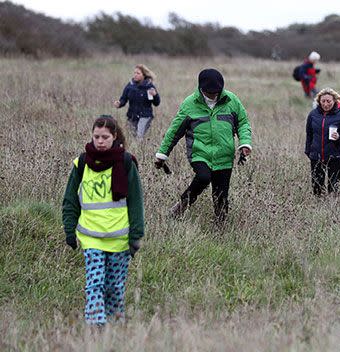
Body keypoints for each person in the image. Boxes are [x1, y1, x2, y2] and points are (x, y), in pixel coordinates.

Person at [62, 115, 144, 325]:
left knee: (115, 286)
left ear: (114, 137)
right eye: (96, 136)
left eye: (105, 137)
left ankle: (115, 325)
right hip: (91, 237)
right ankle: (96, 325)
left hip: (119, 238)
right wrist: (69, 229)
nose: (100, 141)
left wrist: (136, 235)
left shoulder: (126, 163)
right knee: (95, 283)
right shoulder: (81, 163)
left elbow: (136, 202)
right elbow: (70, 199)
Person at [154, 68, 252, 221]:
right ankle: (180, 206)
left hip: (224, 155)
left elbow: (243, 123)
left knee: (221, 196)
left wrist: (245, 143)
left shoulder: (232, 100)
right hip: (199, 153)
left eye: (217, 92)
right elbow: (174, 132)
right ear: (201, 89)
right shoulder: (189, 104)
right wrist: (162, 154)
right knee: (204, 177)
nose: (214, 95)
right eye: (210, 92)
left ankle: (221, 227)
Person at [305, 88, 340, 195]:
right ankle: (318, 208)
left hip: (335, 157)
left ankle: (331, 208)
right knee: (317, 188)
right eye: (323, 101)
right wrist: (308, 152)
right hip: (316, 156)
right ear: (319, 101)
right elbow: (309, 135)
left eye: (329, 101)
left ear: (335, 101)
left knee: (333, 188)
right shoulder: (313, 115)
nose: (326, 104)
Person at [113, 64, 160, 140]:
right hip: (132, 116)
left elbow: (157, 103)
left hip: (145, 116)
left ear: (144, 75)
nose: (135, 75)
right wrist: (119, 104)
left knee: (139, 136)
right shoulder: (130, 85)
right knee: (130, 138)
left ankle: (141, 150)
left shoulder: (149, 86)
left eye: (138, 73)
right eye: (134, 73)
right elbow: (123, 99)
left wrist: (155, 95)